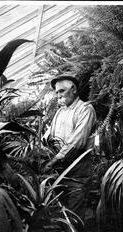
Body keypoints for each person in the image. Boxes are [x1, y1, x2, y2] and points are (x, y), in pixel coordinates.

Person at [42, 74, 96, 221]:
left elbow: (76, 142)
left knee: (74, 215)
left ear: (73, 89)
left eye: (61, 91)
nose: (58, 95)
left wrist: (54, 160)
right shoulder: (60, 112)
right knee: (60, 213)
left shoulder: (85, 109)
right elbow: (48, 136)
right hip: (59, 171)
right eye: (57, 92)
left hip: (77, 174)